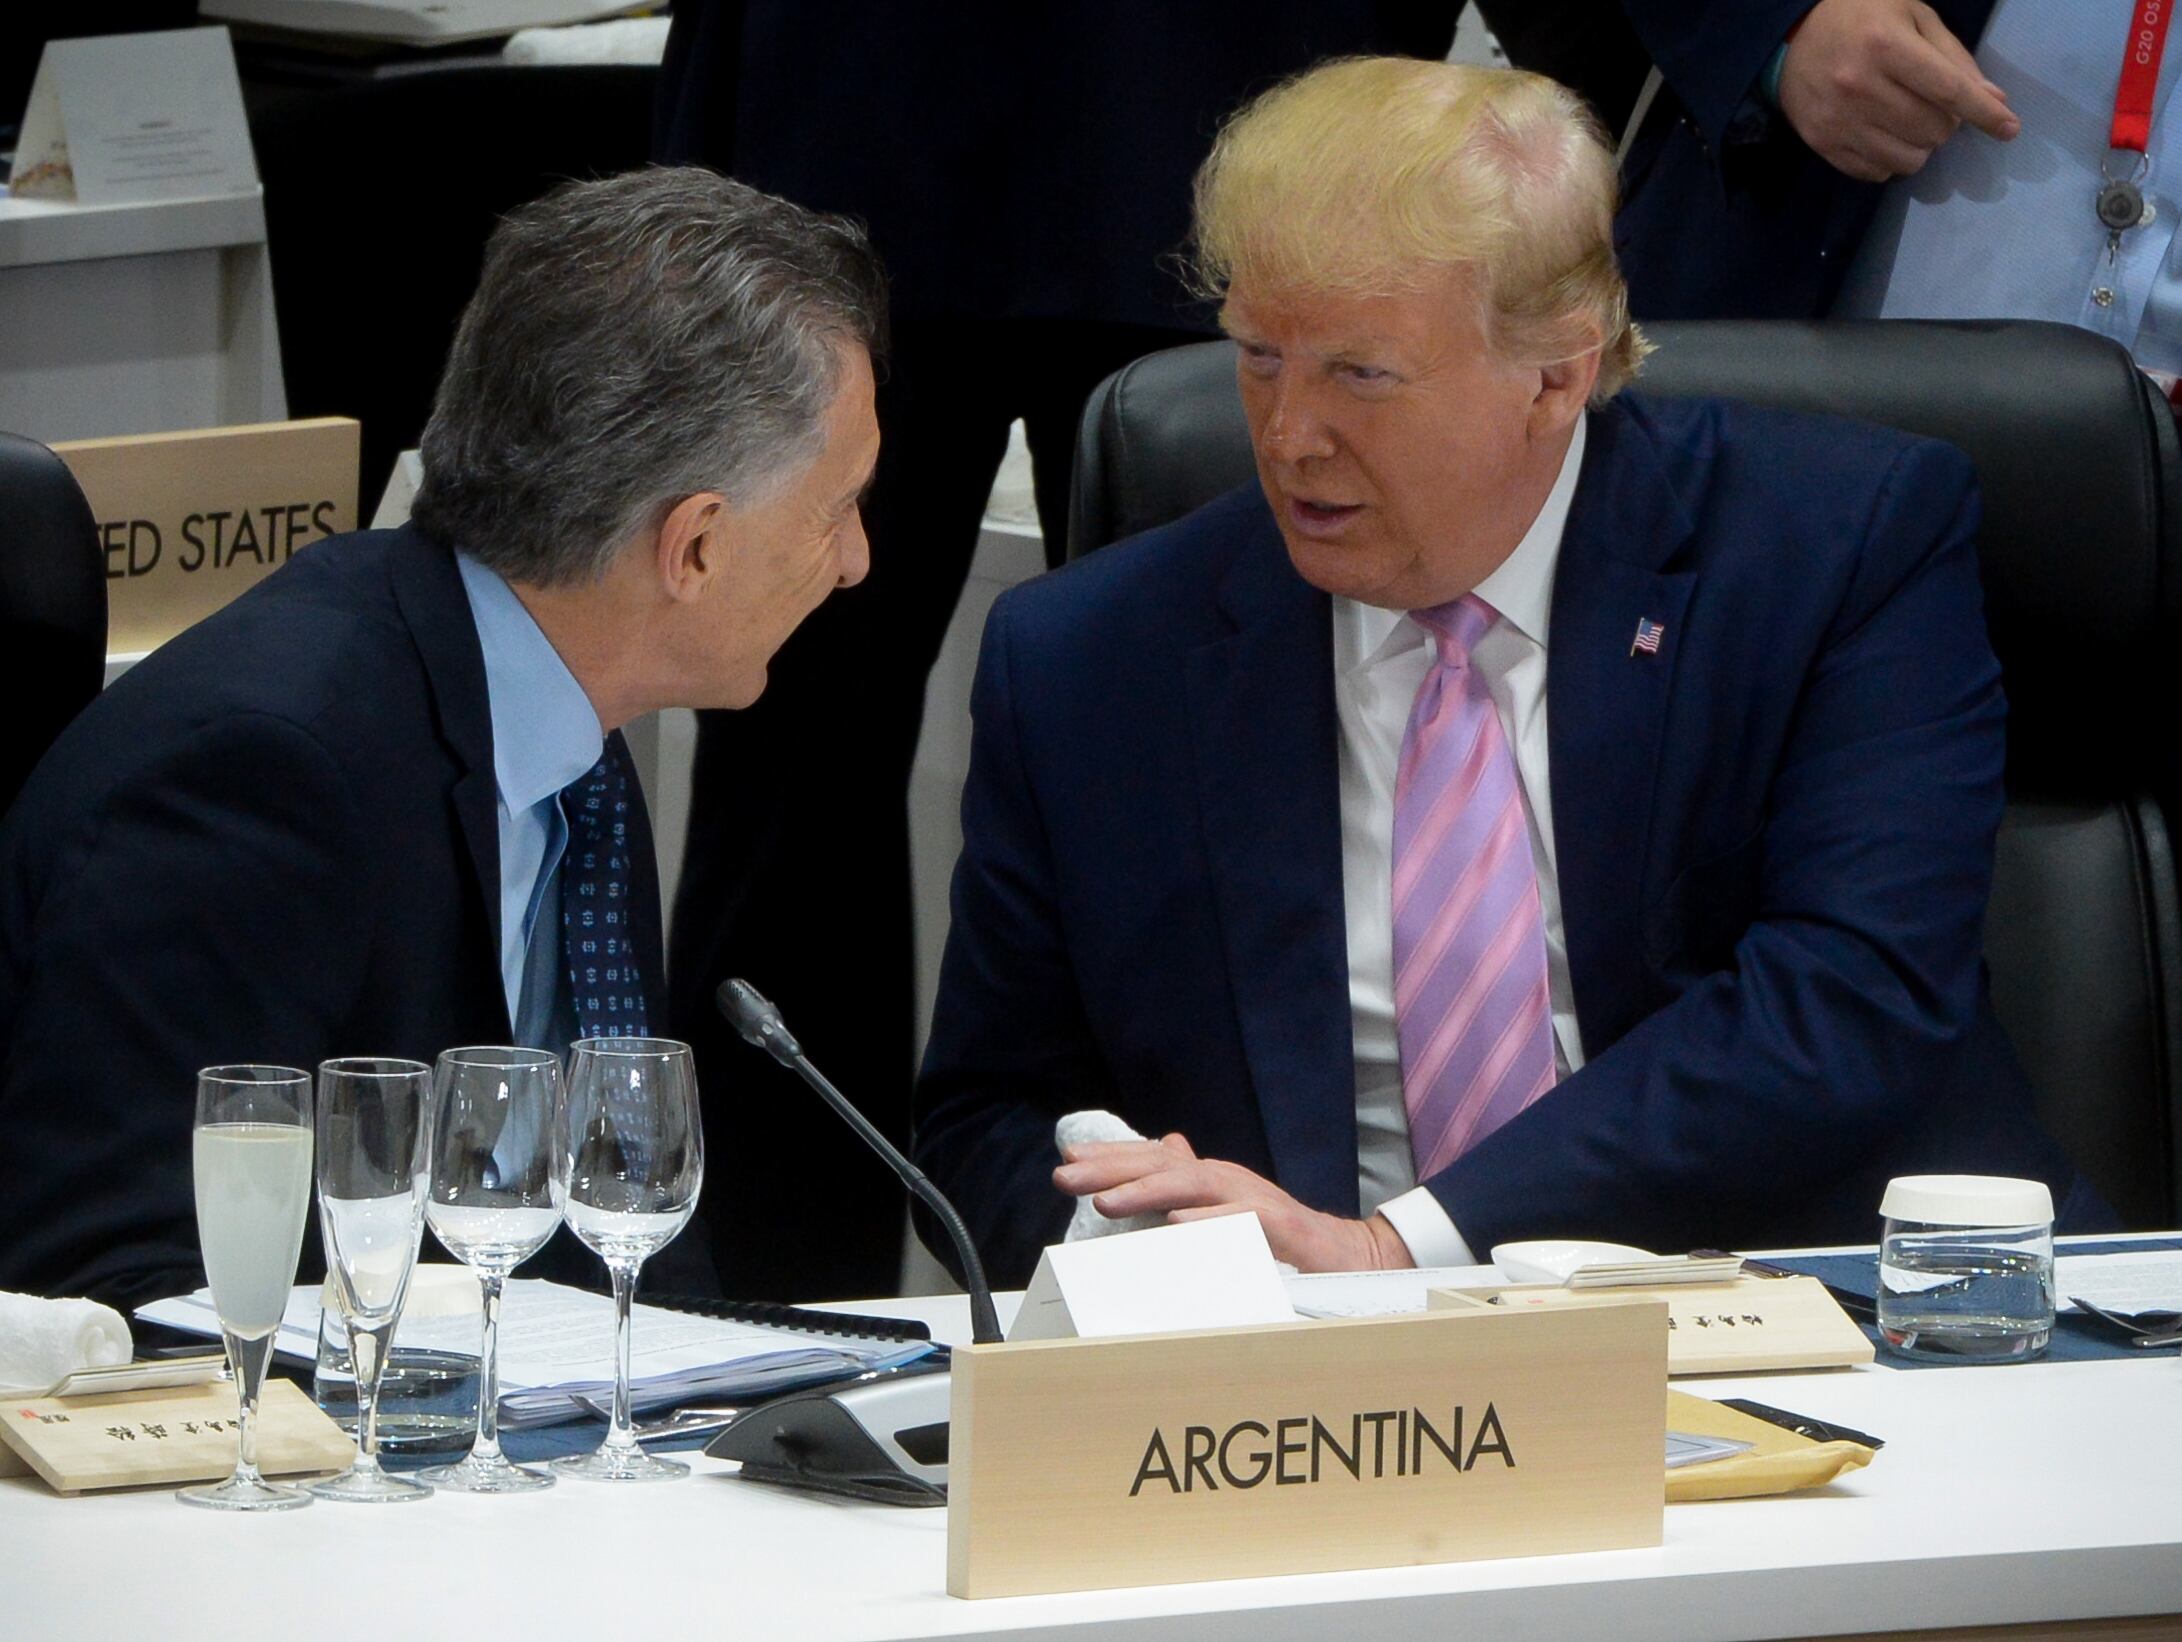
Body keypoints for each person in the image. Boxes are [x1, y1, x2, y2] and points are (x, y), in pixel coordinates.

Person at [913, 57, 2094, 1288]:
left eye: (1358, 374)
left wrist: (1396, 1247)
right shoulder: (1091, 657)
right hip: (1323, 1388)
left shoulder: (1837, 548)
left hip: (1819, 1317)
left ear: (1558, 372)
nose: (1285, 434)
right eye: (1259, 356)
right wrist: (1140, 1237)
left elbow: (1849, 997)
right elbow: (989, 1117)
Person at [653, 1, 1460, 1301]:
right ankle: (771, 1317)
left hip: (1205, 91)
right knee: (783, 750)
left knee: (1201, 747)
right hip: (860, 106)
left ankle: (1217, 1269)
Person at [0, 168, 885, 1310]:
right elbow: (116, 1286)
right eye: (837, 507)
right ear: (695, 546)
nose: (858, 559)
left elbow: (623, 1239)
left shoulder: (576, 743)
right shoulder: (261, 772)